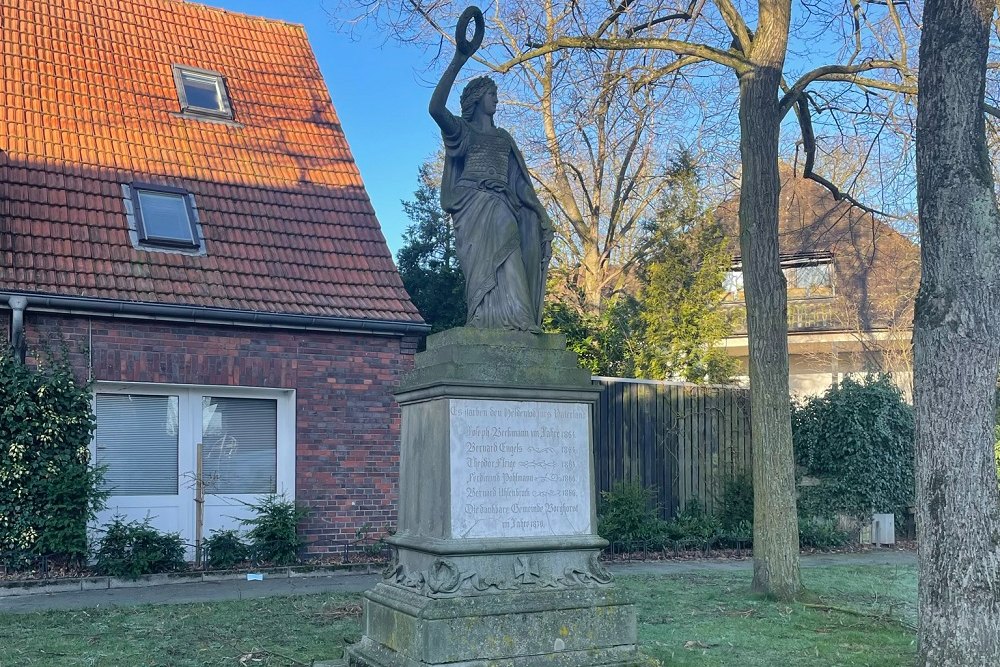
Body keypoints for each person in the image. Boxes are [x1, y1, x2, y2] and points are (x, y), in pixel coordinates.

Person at [428, 8, 553, 332]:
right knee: (482, 263)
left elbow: (520, 184)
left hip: (501, 201)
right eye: (491, 94)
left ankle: (519, 318)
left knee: (508, 234)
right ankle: (482, 317)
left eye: (496, 95)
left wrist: (540, 211)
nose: (496, 100)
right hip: (471, 203)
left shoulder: (503, 138)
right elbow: (435, 108)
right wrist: (459, 58)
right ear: (477, 99)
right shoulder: (464, 132)